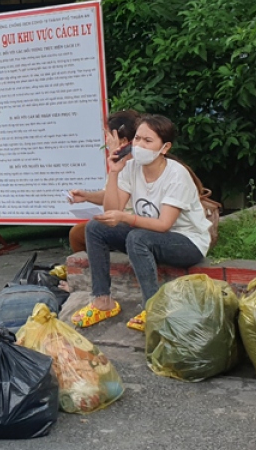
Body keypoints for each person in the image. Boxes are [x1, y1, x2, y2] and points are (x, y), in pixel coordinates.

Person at [70, 114, 212, 331]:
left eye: (148, 141)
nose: (139, 145)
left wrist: (126, 218)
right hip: (151, 236)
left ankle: (153, 308)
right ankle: (103, 301)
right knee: (95, 228)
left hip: (187, 242)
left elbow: (164, 224)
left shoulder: (176, 174)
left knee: (137, 237)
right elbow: (112, 212)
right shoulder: (131, 167)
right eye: (137, 139)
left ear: (164, 148)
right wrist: (114, 172)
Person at [66, 110, 141, 253]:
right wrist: (86, 196)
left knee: (84, 232)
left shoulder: (132, 163)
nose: (106, 141)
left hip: (135, 224)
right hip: (124, 221)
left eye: (108, 136)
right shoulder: (120, 161)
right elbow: (110, 195)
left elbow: (112, 209)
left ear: (123, 140)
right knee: (80, 233)